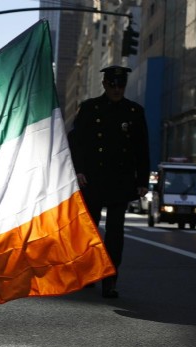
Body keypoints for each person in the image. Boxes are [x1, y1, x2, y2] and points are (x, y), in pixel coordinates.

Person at [68, 65, 150, 299]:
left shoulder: (134, 112)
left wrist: (142, 180)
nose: (116, 89)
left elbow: (141, 148)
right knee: (90, 229)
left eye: (121, 85)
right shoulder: (89, 108)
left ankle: (110, 279)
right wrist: (79, 170)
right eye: (112, 85)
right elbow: (76, 141)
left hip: (120, 181)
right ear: (104, 84)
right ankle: (90, 271)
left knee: (115, 233)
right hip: (92, 179)